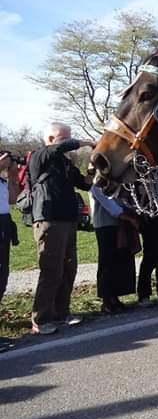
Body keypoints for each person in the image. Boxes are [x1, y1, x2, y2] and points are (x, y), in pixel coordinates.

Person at [28, 123, 94, 334]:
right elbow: (57, 148)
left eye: (69, 138)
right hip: (49, 219)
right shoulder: (40, 156)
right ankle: (41, 319)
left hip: (68, 220)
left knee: (68, 269)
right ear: (49, 139)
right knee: (51, 270)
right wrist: (85, 143)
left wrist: (93, 169)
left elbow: (85, 184)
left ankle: (61, 313)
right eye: (64, 138)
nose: (69, 142)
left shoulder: (64, 163)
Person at [90, 185, 138, 314]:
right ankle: (106, 300)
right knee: (107, 261)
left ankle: (115, 297)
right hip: (105, 225)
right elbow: (109, 203)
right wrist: (126, 216)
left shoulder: (116, 181)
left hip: (119, 223)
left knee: (119, 260)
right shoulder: (96, 184)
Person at [0, 151, 20, 303]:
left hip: (5, 222)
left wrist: (13, 176)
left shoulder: (3, 181)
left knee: (3, 269)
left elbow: (13, 200)